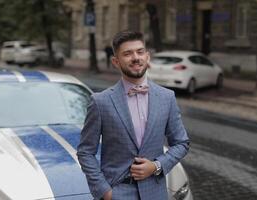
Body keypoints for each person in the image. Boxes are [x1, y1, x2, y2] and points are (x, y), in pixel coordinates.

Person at [77, 30, 190, 200]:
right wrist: (105, 192)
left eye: (140, 51)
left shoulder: (167, 97)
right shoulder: (101, 101)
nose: (135, 57)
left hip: (155, 193)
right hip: (117, 192)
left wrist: (156, 166)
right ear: (116, 61)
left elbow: (181, 143)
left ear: (148, 56)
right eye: (127, 54)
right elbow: (85, 152)